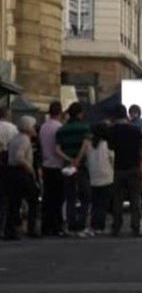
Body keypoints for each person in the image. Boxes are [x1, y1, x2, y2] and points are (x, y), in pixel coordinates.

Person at [108, 104, 142, 237]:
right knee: (135, 199)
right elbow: (141, 147)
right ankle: (136, 227)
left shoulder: (112, 130)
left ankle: (116, 227)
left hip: (119, 168)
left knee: (117, 199)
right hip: (134, 167)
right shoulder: (135, 130)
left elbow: (111, 147)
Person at [56, 102, 91, 236]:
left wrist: (69, 160)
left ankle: (71, 225)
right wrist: (77, 160)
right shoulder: (85, 128)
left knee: (70, 196)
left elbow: (57, 150)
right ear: (80, 113)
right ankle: (81, 225)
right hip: (81, 166)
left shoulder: (62, 129)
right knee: (86, 195)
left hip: (67, 165)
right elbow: (85, 145)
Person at [4, 116, 39, 240]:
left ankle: (10, 229)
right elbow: (20, 158)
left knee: (14, 202)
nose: (35, 129)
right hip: (22, 173)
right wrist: (30, 169)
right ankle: (31, 227)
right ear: (29, 128)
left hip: (11, 172)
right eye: (34, 126)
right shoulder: (25, 140)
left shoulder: (15, 139)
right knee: (33, 199)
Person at [40, 101, 65, 236]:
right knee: (57, 198)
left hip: (46, 165)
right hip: (57, 165)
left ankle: (46, 226)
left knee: (47, 197)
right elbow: (58, 148)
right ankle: (56, 226)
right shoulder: (59, 127)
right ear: (60, 112)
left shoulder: (43, 127)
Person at [85, 123, 114, 235]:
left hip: (93, 177)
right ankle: (100, 227)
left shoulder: (89, 145)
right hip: (107, 176)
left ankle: (94, 225)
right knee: (103, 204)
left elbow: (87, 161)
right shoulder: (107, 144)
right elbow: (112, 159)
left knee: (95, 204)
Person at [0, 107, 18, 235]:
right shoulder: (12, 128)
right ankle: (7, 225)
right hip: (8, 162)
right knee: (7, 196)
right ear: (7, 115)